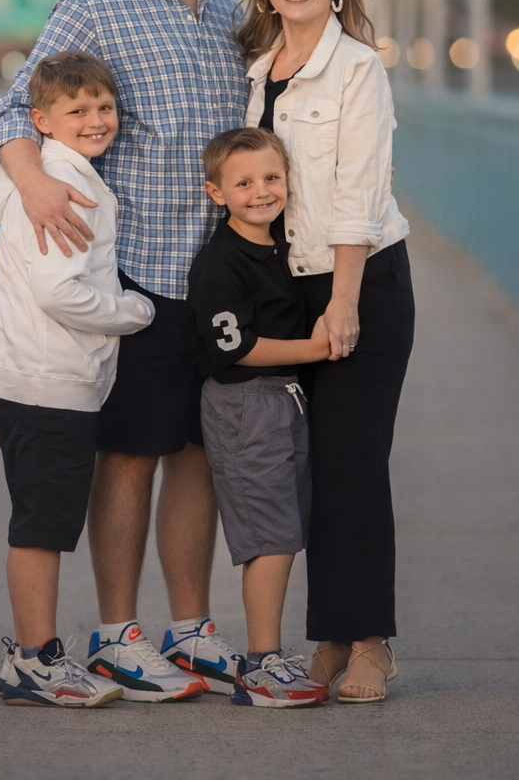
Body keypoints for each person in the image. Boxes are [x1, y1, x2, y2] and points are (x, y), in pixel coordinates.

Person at [0, 0, 246, 701]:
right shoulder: (92, 6)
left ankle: (190, 628)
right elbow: (13, 109)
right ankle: (115, 634)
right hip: (133, 271)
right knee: (131, 455)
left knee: (200, 454)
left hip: (219, 275)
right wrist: (33, 186)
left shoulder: (232, 14)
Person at [238, 0, 414, 704]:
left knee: (354, 461)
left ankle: (371, 640)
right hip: (285, 285)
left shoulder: (358, 69)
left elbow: (359, 193)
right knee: (310, 468)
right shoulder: (255, 67)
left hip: (360, 279)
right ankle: (332, 634)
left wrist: (343, 303)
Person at [0, 52, 156, 708]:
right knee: (42, 521)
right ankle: (33, 660)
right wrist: (131, 314)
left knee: (43, 515)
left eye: (104, 107)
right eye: (76, 110)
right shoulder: (64, 185)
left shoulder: (52, 174)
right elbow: (60, 291)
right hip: (44, 376)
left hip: (32, 371)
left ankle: (38, 654)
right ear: (40, 120)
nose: (95, 120)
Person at [185, 127, 333, 708]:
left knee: (284, 530)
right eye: (243, 183)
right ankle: (260, 667)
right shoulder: (221, 262)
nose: (261, 191)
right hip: (246, 403)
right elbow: (235, 347)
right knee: (270, 533)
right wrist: (316, 349)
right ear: (215, 193)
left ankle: (266, 656)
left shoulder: (281, 245)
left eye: (272, 177)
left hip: (280, 399)